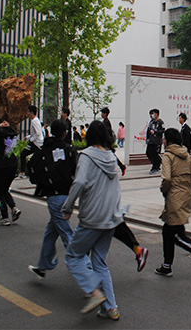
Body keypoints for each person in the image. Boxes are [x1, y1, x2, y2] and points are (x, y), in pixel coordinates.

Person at [62, 120, 123, 320]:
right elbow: (116, 189)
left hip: (92, 218)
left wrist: (67, 207)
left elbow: (79, 181)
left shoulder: (86, 156)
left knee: (73, 256)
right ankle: (110, 308)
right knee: (99, 262)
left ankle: (94, 293)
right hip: (110, 218)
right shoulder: (111, 157)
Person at [155, 128, 191, 277]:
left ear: (169, 141)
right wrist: (186, 187)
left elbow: (166, 178)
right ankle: (166, 266)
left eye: (164, 139)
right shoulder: (185, 154)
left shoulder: (168, 156)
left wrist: (165, 190)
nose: (163, 142)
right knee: (169, 231)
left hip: (174, 197)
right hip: (186, 196)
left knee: (176, 235)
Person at [28, 119, 79, 279]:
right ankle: (43, 265)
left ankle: (85, 268)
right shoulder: (69, 149)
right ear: (64, 133)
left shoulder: (45, 149)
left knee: (66, 234)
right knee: (51, 232)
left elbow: (32, 167)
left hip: (54, 197)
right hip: (67, 196)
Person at [0, 116, 22, 226]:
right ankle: (14, 208)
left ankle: (5, 217)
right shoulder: (12, 132)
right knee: (5, 189)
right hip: (13, 165)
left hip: (1, 166)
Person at [20, 105, 43, 179]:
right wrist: (28, 137)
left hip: (36, 143)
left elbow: (38, 133)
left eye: (28, 112)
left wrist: (31, 139)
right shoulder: (35, 120)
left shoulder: (34, 121)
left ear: (32, 112)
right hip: (36, 142)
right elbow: (35, 133)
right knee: (34, 158)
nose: (27, 113)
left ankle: (23, 173)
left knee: (23, 154)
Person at [145, 108, 165, 175]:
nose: (151, 115)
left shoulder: (160, 122)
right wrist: (147, 139)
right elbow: (148, 131)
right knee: (148, 153)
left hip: (157, 141)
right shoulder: (151, 122)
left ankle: (156, 167)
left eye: (152, 114)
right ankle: (155, 164)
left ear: (156, 114)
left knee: (155, 154)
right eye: (150, 114)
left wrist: (155, 132)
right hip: (151, 141)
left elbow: (163, 130)